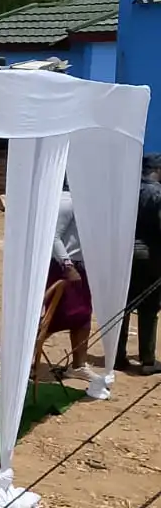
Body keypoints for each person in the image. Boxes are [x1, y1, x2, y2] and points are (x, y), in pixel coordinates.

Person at [117, 157, 161, 374]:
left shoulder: (127, 191)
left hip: (123, 254)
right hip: (149, 256)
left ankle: (117, 356)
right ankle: (147, 360)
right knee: (149, 308)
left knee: (122, 307)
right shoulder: (157, 194)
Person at [48, 188, 92, 379]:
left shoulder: (88, 203)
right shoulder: (66, 201)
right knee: (53, 317)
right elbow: (53, 236)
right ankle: (24, 360)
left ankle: (78, 366)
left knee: (83, 316)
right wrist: (67, 265)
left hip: (82, 266)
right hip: (64, 267)